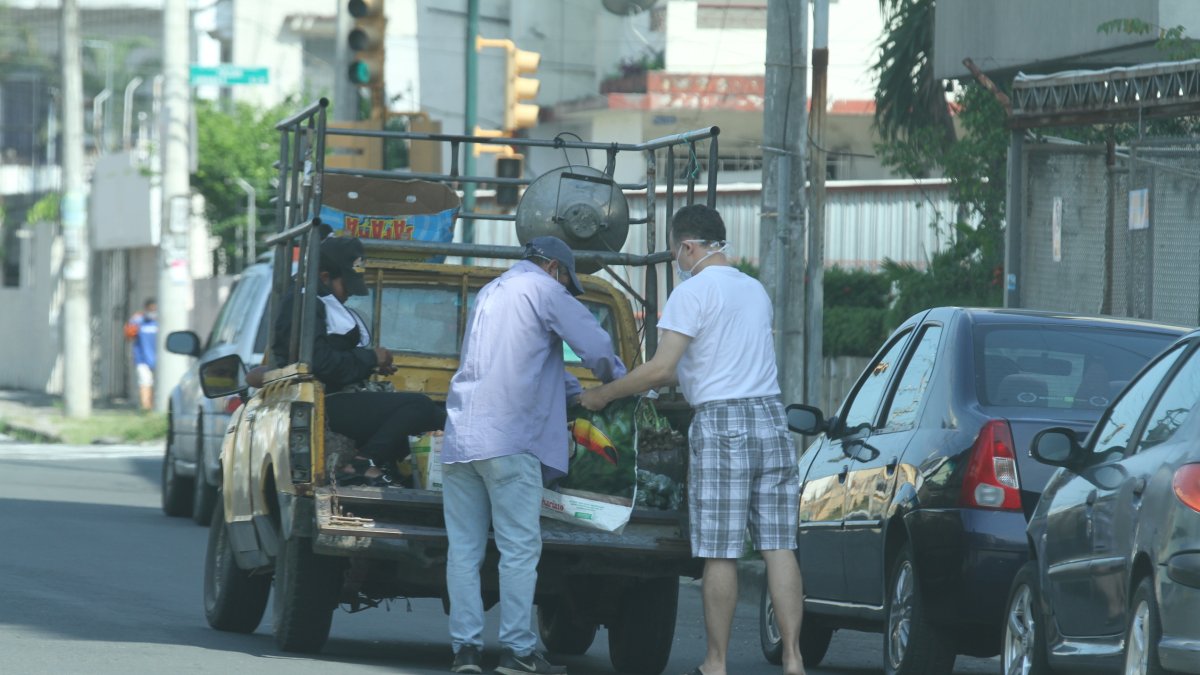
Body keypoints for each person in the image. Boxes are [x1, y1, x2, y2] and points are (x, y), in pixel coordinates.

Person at [579, 205, 806, 675]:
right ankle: (794, 660)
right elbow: (722, 357)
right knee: (779, 546)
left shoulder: (692, 291)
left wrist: (603, 394)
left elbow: (662, 369)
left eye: (677, 252)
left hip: (723, 424)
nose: (677, 261)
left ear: (688, 247)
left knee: (721, 550)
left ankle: (716, 663)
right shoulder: (754, 289)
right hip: (771, 417)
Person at [442, 236, 626, 675]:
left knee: (464, 550)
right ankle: (518, 653)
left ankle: (465, 652)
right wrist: (621, 385)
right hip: (510, 440)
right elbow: (597, 349)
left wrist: (575, 392)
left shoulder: (492, 291)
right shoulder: (545, 290)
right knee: (519, 550)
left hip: (461, 438)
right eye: (567, 278)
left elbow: (528, 364)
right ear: (555, 268)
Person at [262, 234, 446, 485]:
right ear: (325, 277)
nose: (348, 295)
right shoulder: (305, 302)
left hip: (338, 397)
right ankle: (362, 464)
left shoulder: (314, 300)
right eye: (346, 286)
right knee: (419, 406)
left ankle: (384, 467)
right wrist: (370, 357)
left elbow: (334, 357)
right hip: (324, 403)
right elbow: (320, 363)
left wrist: (372, 363)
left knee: (437, 416)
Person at [125, 298, 158, 411]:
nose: (153, 312)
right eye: (151, 309)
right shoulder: (138, 321)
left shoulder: (162, 321)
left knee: (157, 384)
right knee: (145, 382)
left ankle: (155, 406)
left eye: (155, 309)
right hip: (142, 358)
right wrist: (132, 324)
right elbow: (129, 336)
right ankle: (146, 407)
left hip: (159, 359)